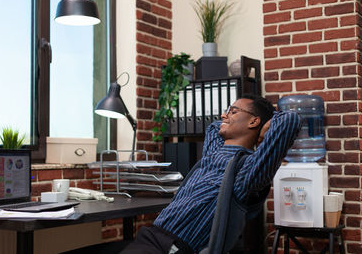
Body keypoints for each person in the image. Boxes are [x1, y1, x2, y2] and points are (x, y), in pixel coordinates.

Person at [121, 94, 301, 254]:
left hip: (172, 246)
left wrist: (266, 129)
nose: (224, 115)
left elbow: (290, 120)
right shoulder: (214, 154)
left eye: (233, 111)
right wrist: (252, 124)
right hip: (151, 235)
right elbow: (214, 127)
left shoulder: (245, 169)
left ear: (254, 122)